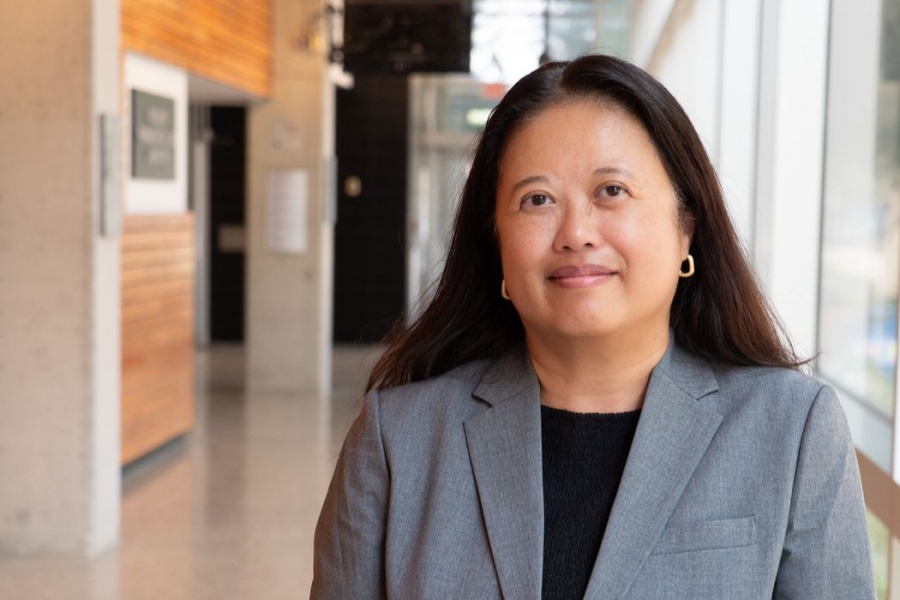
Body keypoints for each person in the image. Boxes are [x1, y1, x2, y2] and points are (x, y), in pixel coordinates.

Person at [311, 54, 875, 599]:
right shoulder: (398, 440)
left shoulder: (792, 431)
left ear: (685, 229)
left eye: (612, 191)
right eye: (537, 199)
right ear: (496, 244)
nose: (576, 234)